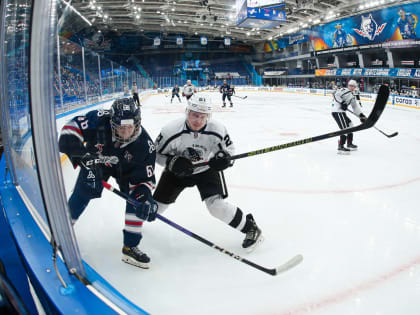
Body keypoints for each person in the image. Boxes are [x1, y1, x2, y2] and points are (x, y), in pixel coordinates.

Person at [153, 95, 263, 251]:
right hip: (177, 172)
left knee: (216, 207)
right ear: (187, 112)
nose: (197, 120)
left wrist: (223, 159)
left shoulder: (217, 130)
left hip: (205, 169)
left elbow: (229, 152)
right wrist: (171, 162)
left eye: (202, 116)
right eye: (194, 115)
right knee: (155, 209)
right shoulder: (170, 131)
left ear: (208, 116)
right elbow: (156, 154)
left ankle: (251, 228)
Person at [59, 97, 158, 269]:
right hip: (95, 164)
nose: (126, 132)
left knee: (137, 200)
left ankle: (130, 246)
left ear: (137, 122)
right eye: (120, 127)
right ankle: (61, 232)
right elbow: (69, 129)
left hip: (127, 172)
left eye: (129, 127)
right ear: (112, 122)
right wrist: (81, 156)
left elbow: (145, 180)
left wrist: (144, 197)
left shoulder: (145, 145)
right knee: (82, 194)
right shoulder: (98, 119)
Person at [331, 79, 367, 154]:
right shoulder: (343, 90)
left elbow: (355, 108)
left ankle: (349, 143)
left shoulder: (352, 96)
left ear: (355, 87)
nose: (352, 87)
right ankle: (341, 146)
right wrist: (342, 102)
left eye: (353, 86)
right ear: (348, 85)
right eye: (350, 86)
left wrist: (361, 116)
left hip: (342, 112)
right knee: (345, 128)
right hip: (337, 111)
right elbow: (335, 94)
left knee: (351, 126)